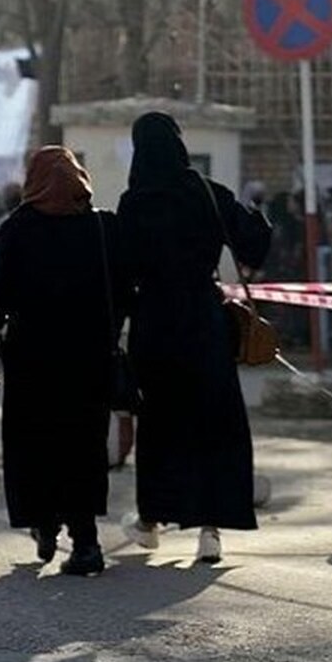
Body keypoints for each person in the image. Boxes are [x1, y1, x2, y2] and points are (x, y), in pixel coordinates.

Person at [117, 112, 271, 563]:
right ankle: (210, 531)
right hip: (204, 320)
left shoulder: (134, 202)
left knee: (160, 423)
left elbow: (123, 273)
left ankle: (150, 521)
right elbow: (253, 243)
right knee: (213, 422)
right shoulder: (207, 193)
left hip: (154, 323)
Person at [0, 146, 121, 576]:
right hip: (88, 357)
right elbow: (121, 288)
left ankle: (44, 523)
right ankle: (86, 541)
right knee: (83, 446)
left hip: (33, 358)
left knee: (35, 444)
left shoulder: (19, 227)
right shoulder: (99, 227)